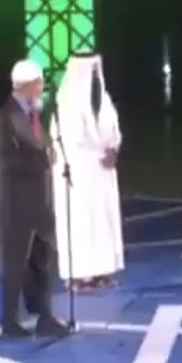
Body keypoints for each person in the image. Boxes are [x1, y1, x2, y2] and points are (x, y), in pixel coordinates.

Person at [0, 60, 65, 338]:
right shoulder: (8, 115)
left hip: (39, 201)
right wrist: (42, 159)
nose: (42, 88)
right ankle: (9, 321)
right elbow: (8, 160)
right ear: (28, 86)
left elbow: (42, 144)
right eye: (39, 83)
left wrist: (50, 153)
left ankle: (44, 316)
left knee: (42, 262)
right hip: (15, 202)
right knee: (14, 263)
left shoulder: (34, 115)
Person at [52, 53, 125, 290]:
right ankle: (78, 274)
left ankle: (101, 270)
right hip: (78, 172)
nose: (93, 75)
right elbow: (67, 138)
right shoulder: (66, 100)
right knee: (80, 222)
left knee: (103, 220)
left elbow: (113, 129)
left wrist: (113, 149)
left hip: (102, 173)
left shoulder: (104, 99)